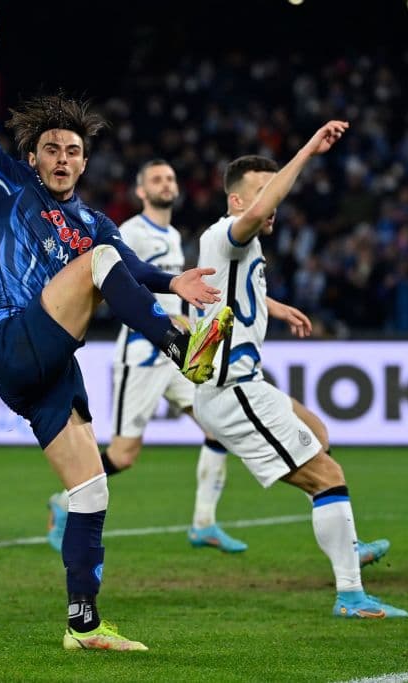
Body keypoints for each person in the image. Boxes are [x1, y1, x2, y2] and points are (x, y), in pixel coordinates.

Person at [0, 8, 232, 651]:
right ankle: (179, 348)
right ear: (33, 155)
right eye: (51, 147)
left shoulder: (95, 221)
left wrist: (174, 282)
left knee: (91, 489)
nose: (62, 157)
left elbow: (131, 267)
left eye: (72, 150)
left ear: (83, 163)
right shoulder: (9, 181)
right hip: (13, 337)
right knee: (100, 263)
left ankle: (83, 624)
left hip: (49, 370)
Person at [192, 121, 408, 618]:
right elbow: (260, 215)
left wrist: (273, 305)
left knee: (318, 431)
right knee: (326, 476)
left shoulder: (235, 247)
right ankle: (350, 593)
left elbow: (230, 287)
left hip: (242, 384)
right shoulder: (226, 233)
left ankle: (345, 547)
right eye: (261, 193)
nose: (272, 203)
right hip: (233, 389)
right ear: (237, 202)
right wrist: (309, 148)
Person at [46, 159, 247, 554]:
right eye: (156, 178)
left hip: (178, 354)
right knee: (123, 454)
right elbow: (123, 285)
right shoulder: (130, 232)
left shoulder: (172, 234)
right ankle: (64, 500)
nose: (165, 183)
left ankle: (203, 523)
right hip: (142, 353)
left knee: (217, 426)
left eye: (171, 177)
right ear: (141, 191)